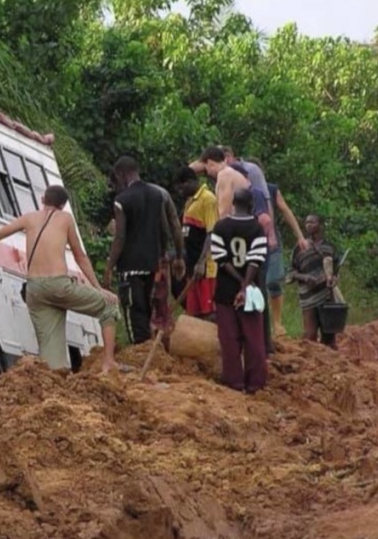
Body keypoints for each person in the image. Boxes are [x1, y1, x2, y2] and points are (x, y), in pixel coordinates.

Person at [0, 185, 122, 373]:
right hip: (58, 285)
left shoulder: (29, 218)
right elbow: (80, 256)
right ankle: (108, 362)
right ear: (62, 205)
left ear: (42, 199)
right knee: (108, 306)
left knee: (52, 362)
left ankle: (53, 386)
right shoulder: (66, 218)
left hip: (35, 290)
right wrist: (98, 288)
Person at [104, 156, 184, 345]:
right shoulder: (157, 195)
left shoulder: (121, 200)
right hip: (151, 264)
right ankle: (148, 347)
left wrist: (109, 266)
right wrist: (163, 254)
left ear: (121, 175)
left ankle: (139, 349)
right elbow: (165, 228)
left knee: (133, 309)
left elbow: (120, 237)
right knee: (148, 308)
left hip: (130, 266)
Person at [210, 188, 269, 394]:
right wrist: (245, 285)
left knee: (229, 339)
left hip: (226, 290)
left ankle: (234, 381)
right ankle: (255, 383)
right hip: (251, 292)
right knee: (254, 339)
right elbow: (256, 259)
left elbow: (221, 258)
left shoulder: (221, 227)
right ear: (251, 205)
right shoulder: (256, 228)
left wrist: (237, 283)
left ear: (233, 203)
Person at [260, 178, 310, 337]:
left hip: (272, 243)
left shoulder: (271, 189)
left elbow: (286, 211)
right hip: (252, 243)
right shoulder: (241, 188)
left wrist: (300, 236)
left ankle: (277, 323)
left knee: (273, 281)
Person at [289, 214, 340, 348]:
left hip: (327, 296)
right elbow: (291, 273)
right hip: (308, 297)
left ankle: (332, 366)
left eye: (312, 222)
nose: (308, 225)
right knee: (310, 335)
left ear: (320, 225)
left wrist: (333, 279)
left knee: (329, 336)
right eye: (306, 223)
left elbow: (336, 270)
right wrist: (305, 277)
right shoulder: (299, 248)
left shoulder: (329, 247)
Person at [175, 166, 218, 320]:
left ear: (190, 182)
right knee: (194, 312)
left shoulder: (208, 199)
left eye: (182, 188)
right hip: (192, 265)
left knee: (209, 312)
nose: (181, 192)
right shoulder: (189, 202)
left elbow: (211, 233)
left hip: (206, 267)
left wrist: (201, 263)